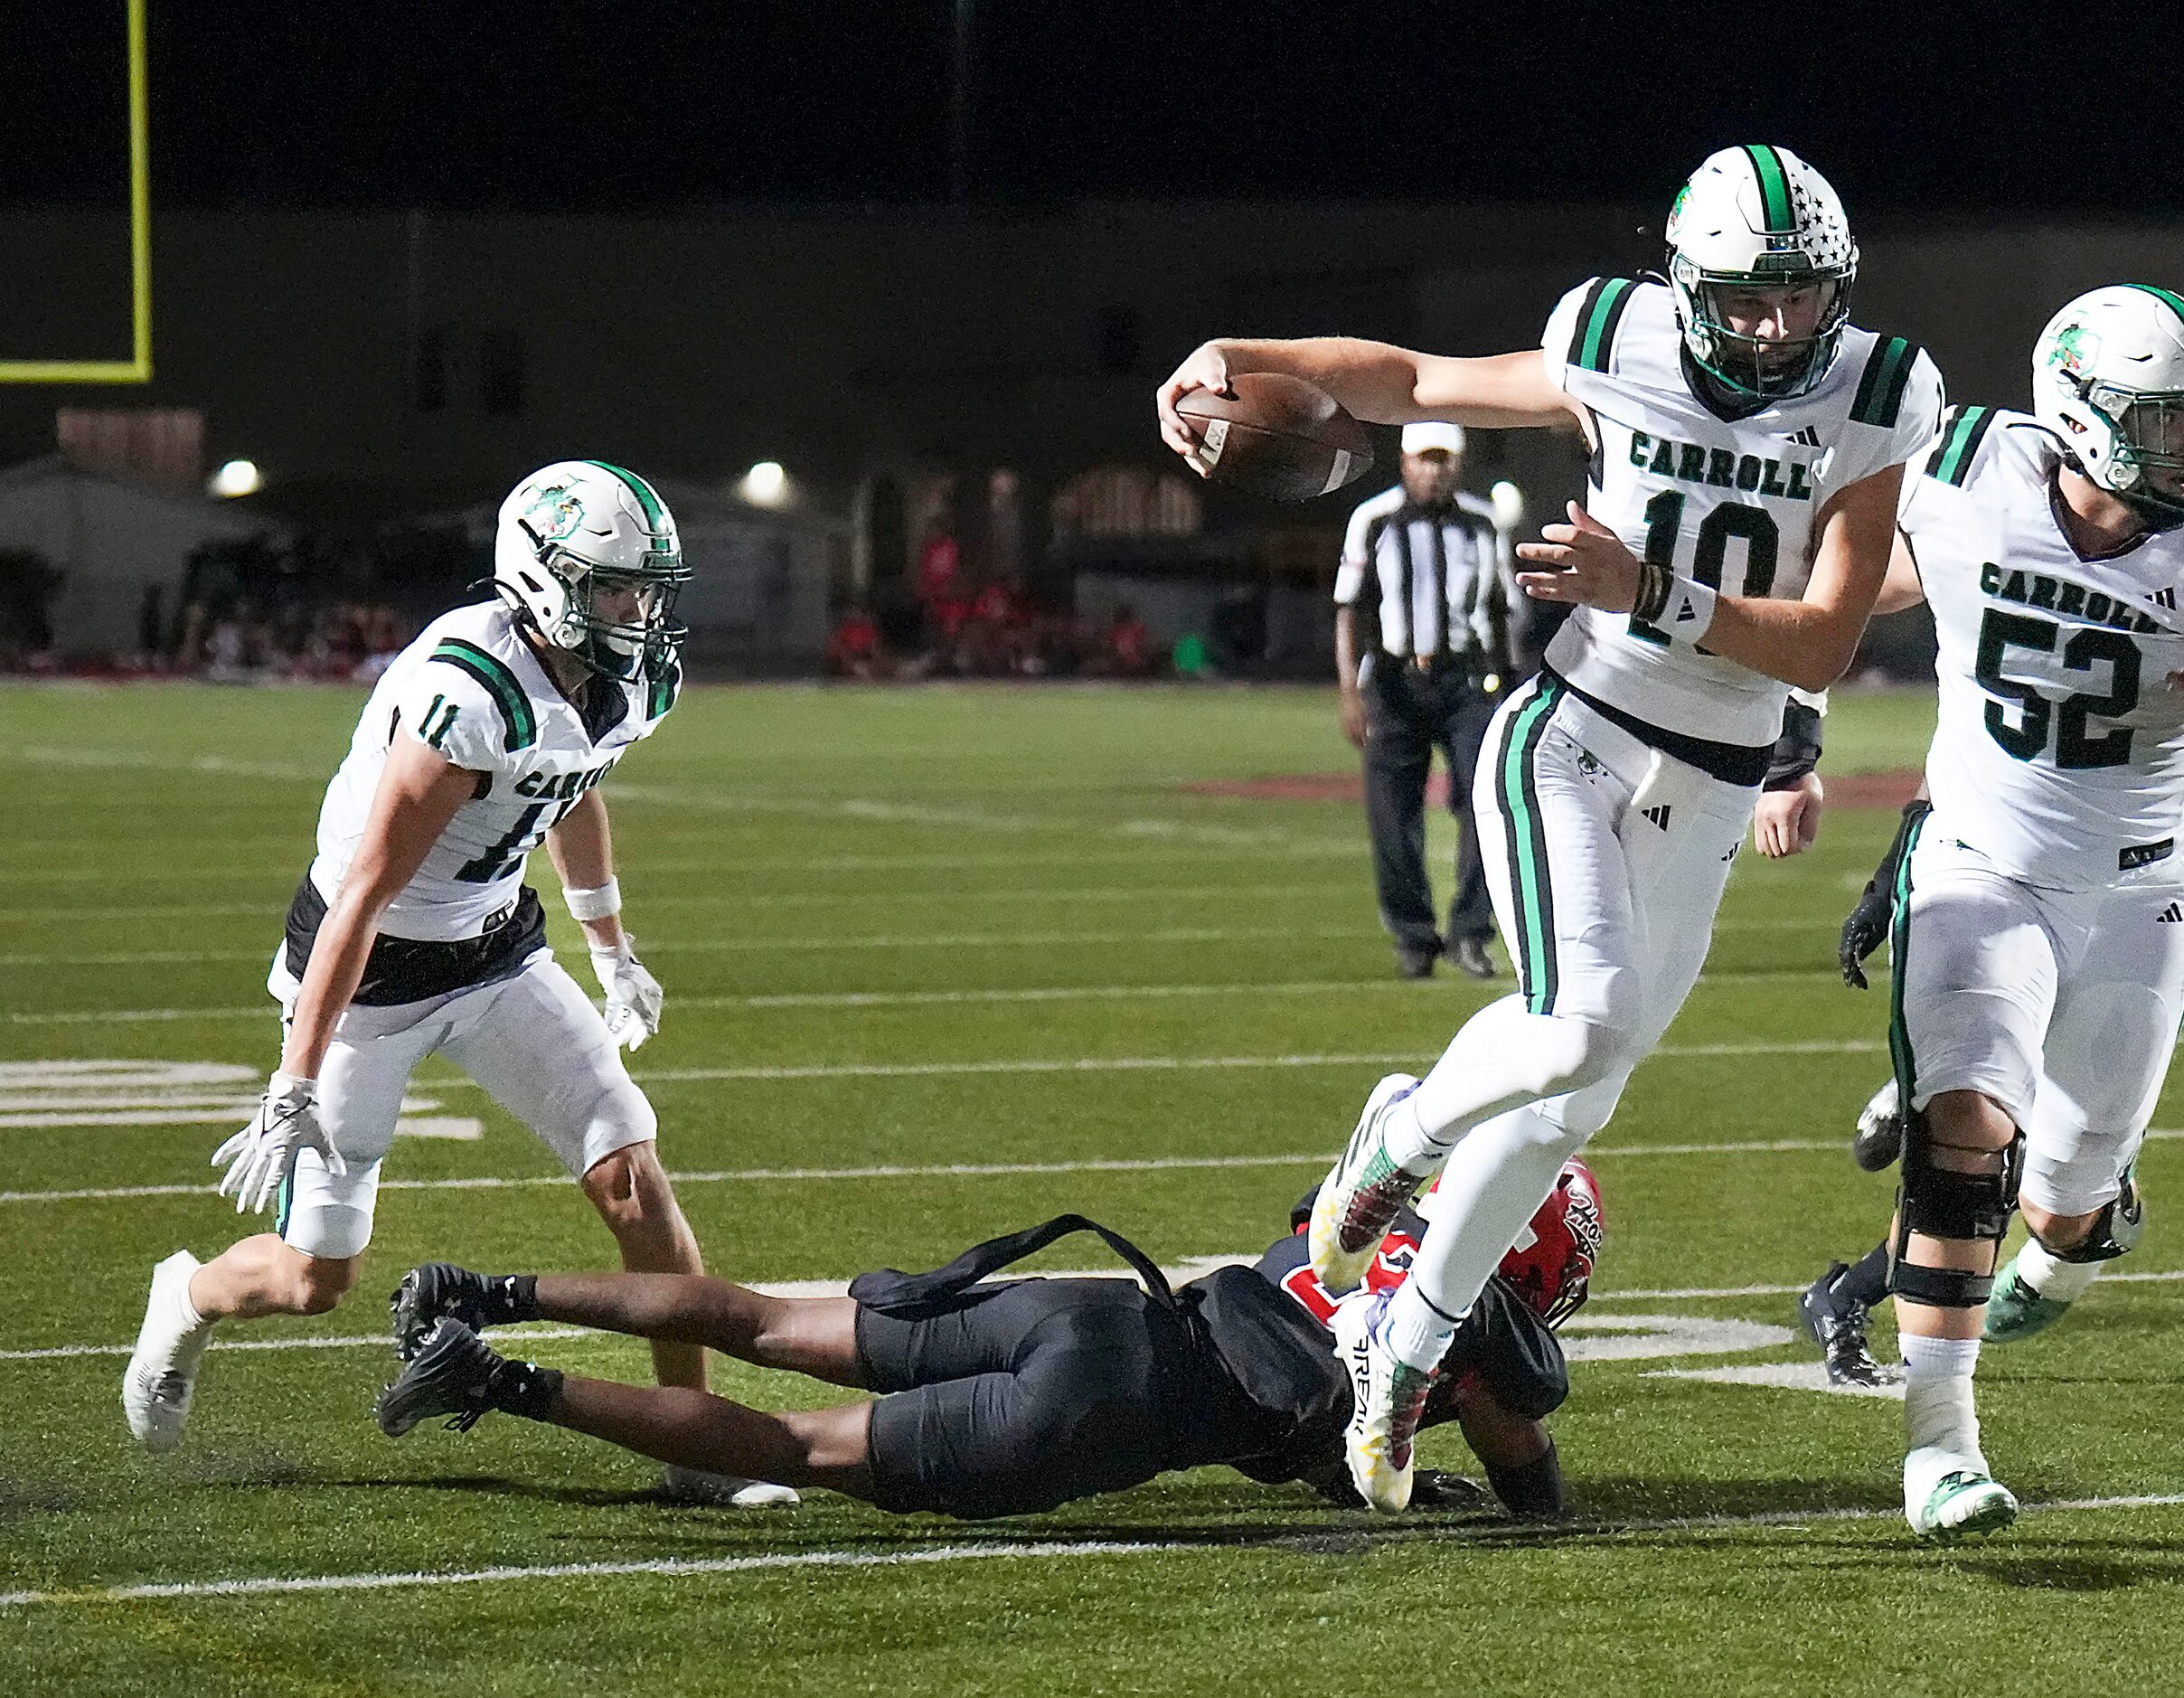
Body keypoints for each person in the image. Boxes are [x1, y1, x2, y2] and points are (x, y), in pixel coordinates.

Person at [1159, 144, 1943, 1509]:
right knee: (1573, 1019)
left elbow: (1819, 642)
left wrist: (1649, 585)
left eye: (1798, 297)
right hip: (1572, 732)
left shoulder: (1881, 390)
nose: (1772, 327)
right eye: (1744, 298)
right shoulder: (1611, 330)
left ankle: (1403, 1355)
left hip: (1717, 765)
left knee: (1577, 1093)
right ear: (1684, 285)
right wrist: (1232, 345)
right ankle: (1391, 1141)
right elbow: (1407, 380)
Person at [1757, 285, 2184, 1538]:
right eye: (2164, 421)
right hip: (1978, 862)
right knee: (1961, 1130)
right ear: (2081, 415)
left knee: (2066, 1198)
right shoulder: (1967, 472)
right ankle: (1939, 1447)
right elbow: (1851, 595)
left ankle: (2062, 1242)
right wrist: (1788, 730)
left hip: (2139, 892)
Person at [118, 461, 792, 1509]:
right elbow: (363, 897)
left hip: (495, 950)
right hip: (370, 972)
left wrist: (608, 947)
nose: (640, 610)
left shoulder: (622, 679)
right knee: (314, 1276)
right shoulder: (465, 692)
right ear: (543, 580)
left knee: (632, 1175)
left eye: (648, 588)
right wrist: (293, 1080)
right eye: (617, 587)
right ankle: (191, 1294)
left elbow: (570, 789)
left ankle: (694, 1447)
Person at [1803, 550, 2184, 1383]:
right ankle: (1883, 1296)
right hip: (2031, 891)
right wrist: (1889, 884)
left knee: (2032, 1174)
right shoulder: (2108, 633)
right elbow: (1972, 780)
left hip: (2139, 910)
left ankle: (1877, 1271)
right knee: (1986, 1148)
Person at [372, 1163, 1606, 1522]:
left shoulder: (1372, 1207)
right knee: (798, 1447)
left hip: (1090, 1310)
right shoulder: (1493, 1341)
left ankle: (484, 1288)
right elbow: (1529, 1479)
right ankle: (496, 1378)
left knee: (756, 1315)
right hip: (1096, 1417)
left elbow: (1306, 1344)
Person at [1335, 422, 1511, 978]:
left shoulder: (1482, 522)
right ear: (1405, 461)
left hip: (1468, 682)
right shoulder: (1375, 519)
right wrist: (1350, 692)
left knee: (1487, 807)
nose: (1434, 471)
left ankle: (1470, 933)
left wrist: (1509, 683)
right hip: (1393, 680)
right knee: (1393, 816)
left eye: (1444, 460)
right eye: (1424, 459)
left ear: (1457, 465)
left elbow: (1501, 607)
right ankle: (1413, 937)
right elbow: (1350, 609)